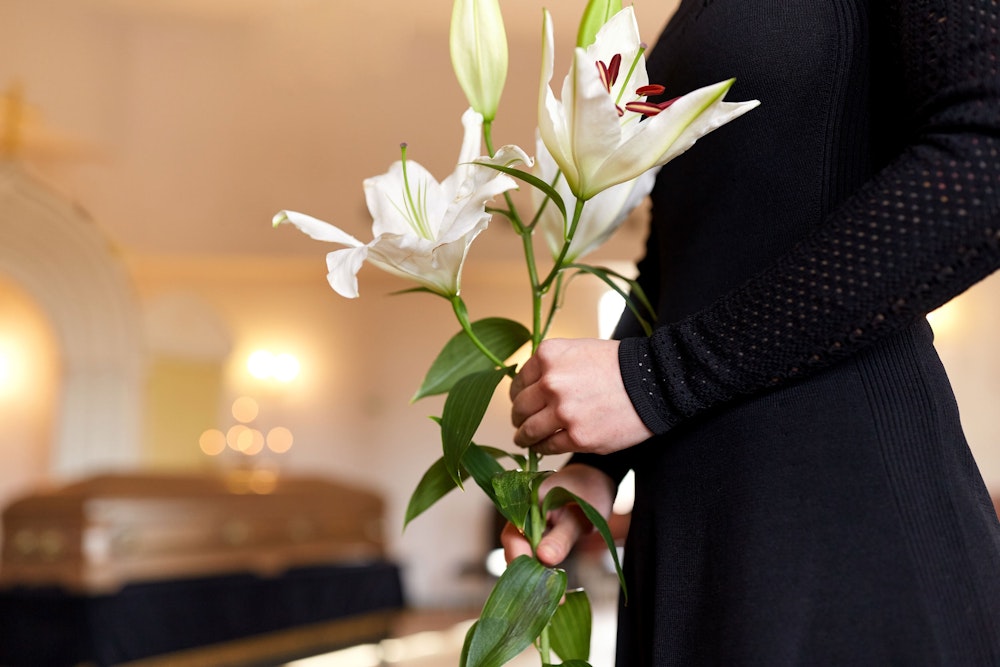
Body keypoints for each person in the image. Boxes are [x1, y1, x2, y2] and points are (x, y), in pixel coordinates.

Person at [502, 0, 1000, 664]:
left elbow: (982, 165)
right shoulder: (685, 19)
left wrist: (658, 379)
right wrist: (598, 466)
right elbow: (677, 258)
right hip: (684, 530)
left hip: (837, 511)